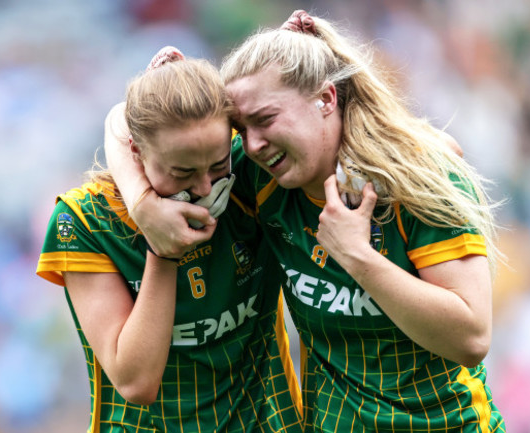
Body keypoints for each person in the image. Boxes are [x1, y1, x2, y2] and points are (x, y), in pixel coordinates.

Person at [105, 11, 506, 432]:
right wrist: (142, 204)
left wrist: (357, 256)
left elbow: (472, 338)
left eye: (265, 119)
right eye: (243, 128)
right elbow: (121, 120)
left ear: (327, 99)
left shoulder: (419, 177)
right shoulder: (263, 177)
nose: (254, 144)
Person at [36, 47, 303, 433]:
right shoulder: (83, 223)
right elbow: (136, 382)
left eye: (216, 166)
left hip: (267, 422)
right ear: (137, 151)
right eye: (181, 172)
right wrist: (161, 246)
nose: (204, 188)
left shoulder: (249, 176)